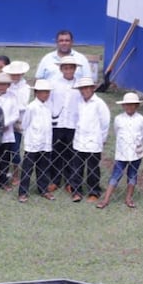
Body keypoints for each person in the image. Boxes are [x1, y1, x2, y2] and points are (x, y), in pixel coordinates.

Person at [97, 93, 143, 209]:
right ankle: (106, 199)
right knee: (116, 175)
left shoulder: (141, 120)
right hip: (121, 153)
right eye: (127, 105)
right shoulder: (118, 119)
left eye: (132, 105)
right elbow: (116, 132)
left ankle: (128, 198)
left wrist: (138, 143)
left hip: (136, 153)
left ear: (137, 106)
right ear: (123, 106)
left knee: (132, 175)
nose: (129, 107)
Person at [69, 77, 111, 202]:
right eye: (82, 88)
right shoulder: (79, 102)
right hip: (79, 140)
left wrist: (101, 139)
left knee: (93, 168)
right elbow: (75, 118)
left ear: (93, 88)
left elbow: (105, 123)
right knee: (77, 167)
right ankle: (76, 191)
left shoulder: (99, 104)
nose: (85, 90)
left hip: (94, 141)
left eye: (87, 87)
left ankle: (94, 191)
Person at [18, 79, 55, 202]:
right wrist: (30, 136)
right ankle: (23, 192)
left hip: (45, 143)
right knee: (27, 168)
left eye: (47, 92)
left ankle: (43, 189)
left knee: (44, 167)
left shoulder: (49, 106)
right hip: (32, 142)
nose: (46, 94)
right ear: (36, 93)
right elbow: (25, 124)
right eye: (43, 92)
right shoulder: (31, 107)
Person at [49, 59, 82, 191]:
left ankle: (70, 182)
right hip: (58, 123)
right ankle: (54, 180)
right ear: (61, 69)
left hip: (72, 124)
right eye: (65, 68)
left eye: (71, 68)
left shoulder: (79, 85)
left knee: (71, 154)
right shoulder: (54, 84)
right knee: (56, 153)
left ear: (75, 69)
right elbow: (50, 101)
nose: (68, 70)